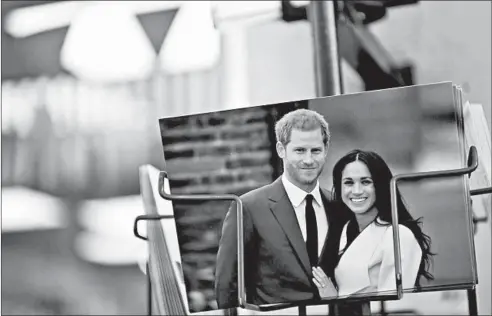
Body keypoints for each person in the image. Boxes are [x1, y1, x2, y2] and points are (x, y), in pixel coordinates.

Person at [214, 109, 351, 309]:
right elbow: (227, 286)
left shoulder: (339, 207)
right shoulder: (248, 207)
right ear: (281, 150)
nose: (309, 160)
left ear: (326, 149)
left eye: (315, 150)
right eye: (300, 150)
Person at [312, 149, 434, 300]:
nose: (356, 191)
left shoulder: (399, 235)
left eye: (366, 182)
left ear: (380, 186)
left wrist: (334, 301)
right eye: (349, 183)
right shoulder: (341, 230)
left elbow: (395, 304)